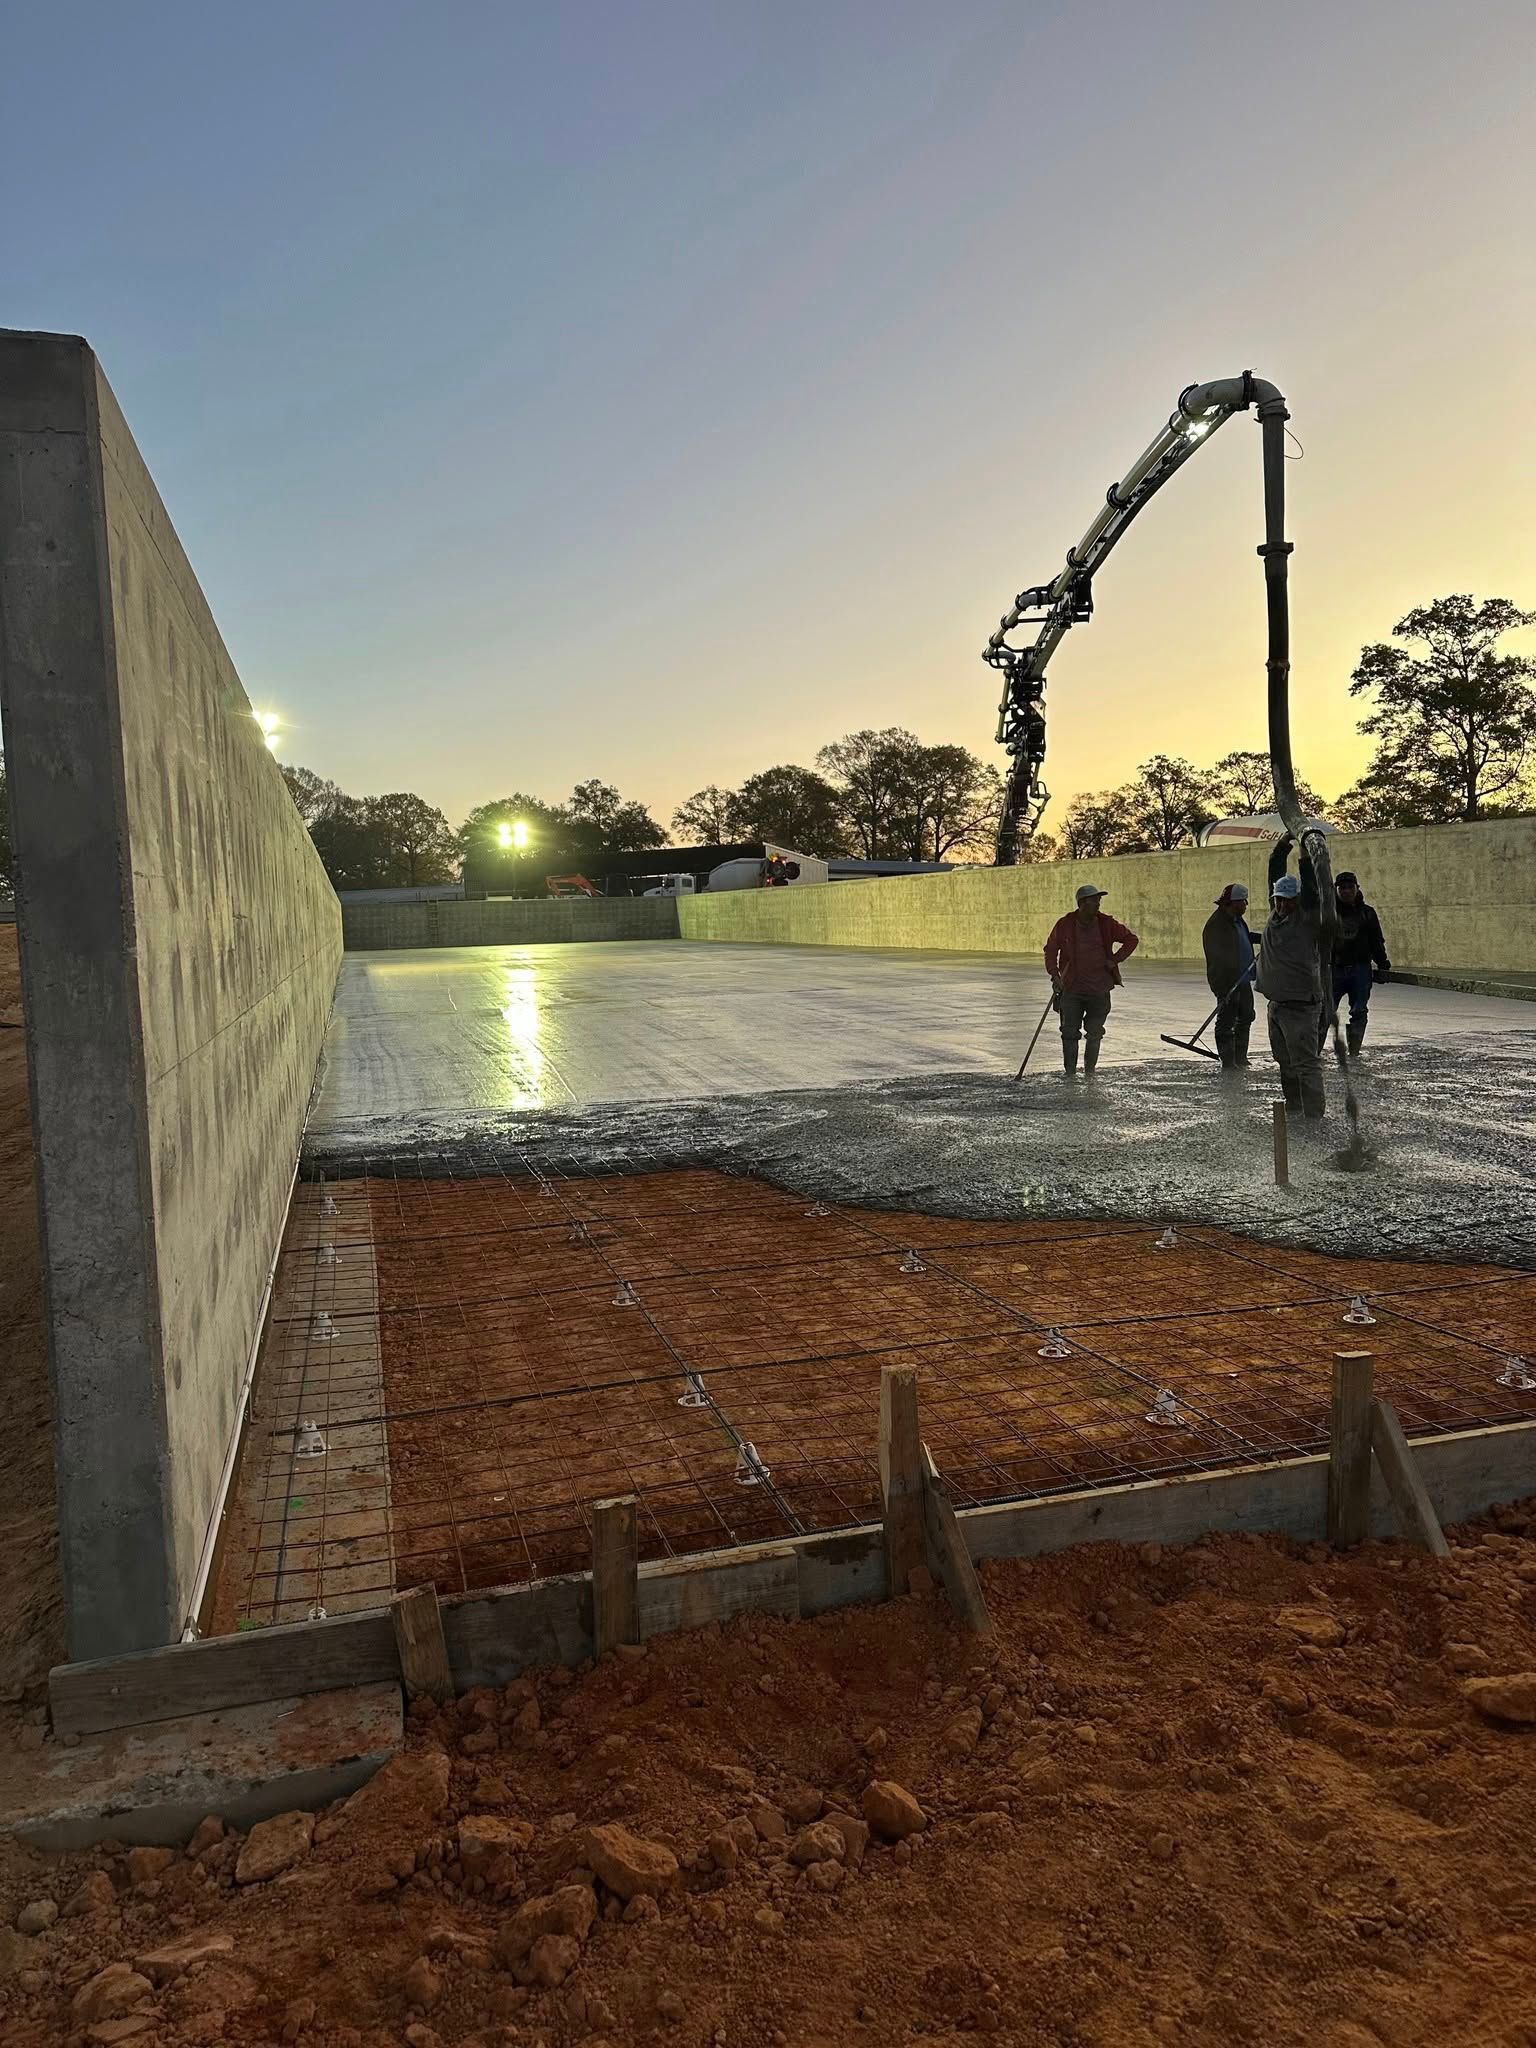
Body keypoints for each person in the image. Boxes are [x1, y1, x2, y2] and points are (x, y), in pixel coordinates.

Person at [1256, 834, 1325, 1120]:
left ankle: (1313, 1114)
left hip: (1301, 1005)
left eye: (1288, 901)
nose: (1282, 906)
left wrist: (1306, 855)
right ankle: (1294, 1106)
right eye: (1279, 900)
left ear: (1297, 901)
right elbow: (1274, 872)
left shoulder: (1307, 918)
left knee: (1305, 1062)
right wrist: (1283, 845)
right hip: (1277, 1004)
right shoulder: (1275, 915)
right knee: (1284, 1060)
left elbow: (1310, 887)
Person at [1043, 884, 1140, 1077]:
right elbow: (1051, 949)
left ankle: (1090, 1073)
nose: (1098, 904)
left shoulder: (1106, 923)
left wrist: (1114, 960)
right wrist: (1054, 975)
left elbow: (1131, 940)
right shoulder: (1065, 924)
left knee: (1095, 1032)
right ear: (1082, 904)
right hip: (1072, 989)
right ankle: (1070, 1074)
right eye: (1093, 900)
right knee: (1069, 1033)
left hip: (1099, 989)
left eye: (1098, 900)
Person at [1322, 870, 1391, 1055]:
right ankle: (1314, 1051)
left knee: (1359, 1011)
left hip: (1360, 969)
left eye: (1349, 887)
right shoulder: (1328, 913)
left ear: (1356, 888)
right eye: (1341, 888)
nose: (1345, 891)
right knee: (1324, 1012)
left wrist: (1383, 964)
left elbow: (1376, 940)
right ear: (1335, 890)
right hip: (1334, 969)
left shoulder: (1367, 913)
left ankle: (1353, 1052)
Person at [1201, 882, 1256, 1070]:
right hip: (1228, 982)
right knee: (1226, 1021)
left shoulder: (1237, 920)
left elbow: (1246, 937)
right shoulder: (1217, 925)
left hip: (1243, 979)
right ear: (1234, 902)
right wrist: (1221, 989)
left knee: (1247, 1016)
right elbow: (1215, 960)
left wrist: (1266, 938)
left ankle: (1241, 1057)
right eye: (1244, 901)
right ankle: (1228, 1061)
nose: (1246, 905)